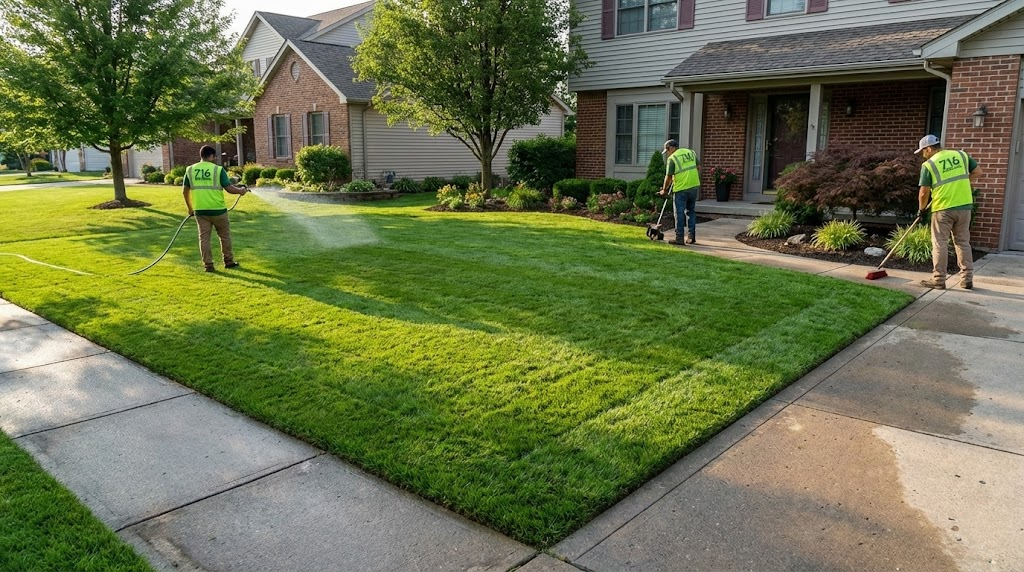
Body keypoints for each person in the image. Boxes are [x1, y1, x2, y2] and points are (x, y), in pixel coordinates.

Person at [915, 134, 981, 290]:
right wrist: (961, 183)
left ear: (929, 148)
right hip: (964, 207)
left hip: (943, 208)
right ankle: (966, 279)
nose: (923, 155)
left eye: (923, 151)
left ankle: (938, 280)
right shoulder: (961, 155)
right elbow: (978, 172)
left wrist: (921, 209)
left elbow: (924, 193)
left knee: (940, 243)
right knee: (963, 242)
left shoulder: (929, 164)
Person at [182, 145, 249, 272]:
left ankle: (208, 265)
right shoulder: (218, 170)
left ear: (201, 155)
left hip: (200, 211)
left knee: (204, 238)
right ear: (211, 156)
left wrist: (190, 208)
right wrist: (241, 191)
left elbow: (185, 191)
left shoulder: (190, 170)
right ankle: (228, 261)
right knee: (224, 236)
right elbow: (229, 188)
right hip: (218, 210)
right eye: (214, 156)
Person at [658, 139, 701, 245]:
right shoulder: (690, 152)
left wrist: (664, 190)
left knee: (679, 213)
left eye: (667, 149)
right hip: (694, 186)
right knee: (691, 212)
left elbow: (668, 177)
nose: (667, 152)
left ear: (672, 148)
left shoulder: (672, 158)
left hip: (681, 189)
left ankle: (679, 238)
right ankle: (691, 237)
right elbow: (698, 167)